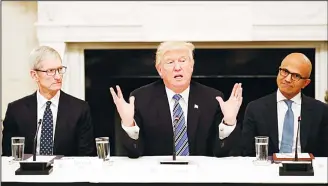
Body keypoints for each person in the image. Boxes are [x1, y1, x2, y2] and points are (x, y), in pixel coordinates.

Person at [110, 41, 242, 158]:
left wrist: (228, 122)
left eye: (183, 60)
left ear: (191, 66)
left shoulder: (211, 99)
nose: (177, 67)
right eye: (170, 62)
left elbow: (220, 152)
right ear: (160, 70)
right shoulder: (141, 98)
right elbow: (134, 153)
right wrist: (129, 124)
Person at [2, 46, 96, 157]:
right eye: (50, 71)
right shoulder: (16, 110)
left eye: (60, 70)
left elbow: (87, 156)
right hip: (28, 173)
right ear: (34, 75)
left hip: (67, 172)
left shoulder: (80, 108)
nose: (58, 76)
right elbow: (8, 155)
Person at [241, 53, 328, 157]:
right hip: (268, 169)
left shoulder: (321, 111)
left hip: (306, 169)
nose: (287, 79)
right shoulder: (255, 109)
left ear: (306, 83)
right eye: (285, 72)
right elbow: (246, 152)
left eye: (296, 76)